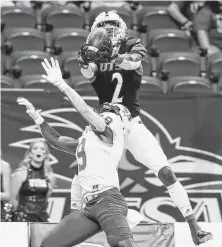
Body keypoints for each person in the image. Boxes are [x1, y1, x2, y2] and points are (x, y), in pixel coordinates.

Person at [77, 11, 213, 246]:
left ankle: (194, 225)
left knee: (166, 172)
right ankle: (77, 225)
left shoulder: (132, 44)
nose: (108, 30)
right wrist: (89, 58)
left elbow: (134, 62)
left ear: (121, 27)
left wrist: (113, 57)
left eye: (112, 25)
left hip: (131, 122)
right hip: (107, 123)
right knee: (86, 175)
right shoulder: (92, 51)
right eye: (104, 26)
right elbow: (86, 72)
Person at [16, 57, 143, 247]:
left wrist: (61, 84)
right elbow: (57, 140)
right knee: (49, 244)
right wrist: (38, 118)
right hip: (89, 207)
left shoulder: (108, 133)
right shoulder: (87, 141)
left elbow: (84, 109)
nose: (103, 112)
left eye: (109, 112)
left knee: (124, 245)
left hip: (107, 200)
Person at [10, 140, 56, 222]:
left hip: (41, 218)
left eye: (42, 149)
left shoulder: (50, 177)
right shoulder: (20, 174)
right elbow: (13, 199)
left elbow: (46, 198)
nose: (39, 151)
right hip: (22, 218)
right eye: (35, 148)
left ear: (45, 154)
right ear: (30, 153)